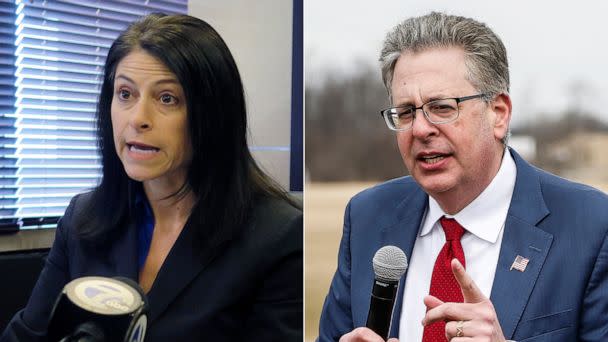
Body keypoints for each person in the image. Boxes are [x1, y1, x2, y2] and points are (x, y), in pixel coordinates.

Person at [1, 13, 302, 341]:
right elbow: (26, 335)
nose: (138, 119)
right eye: (126, 94)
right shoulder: (82, 218)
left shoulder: (278, 236)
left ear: (212, 115)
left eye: (167, 98)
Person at [318, 11, 608, 342]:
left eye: (442, 107)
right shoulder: (367, 216)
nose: (421, 129)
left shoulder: (591, 226)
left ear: (498, 114)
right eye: (406, 112)